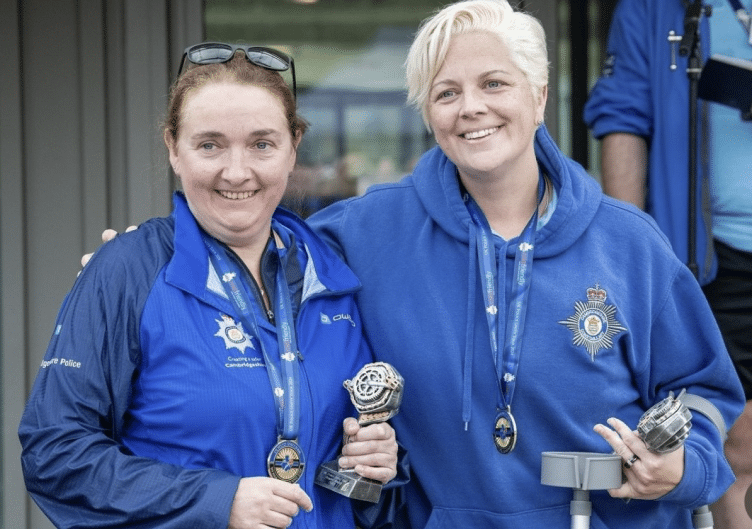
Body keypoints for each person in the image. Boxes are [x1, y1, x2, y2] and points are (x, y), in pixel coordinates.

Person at [81, 1, 746, 528]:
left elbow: (706, 392)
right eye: (446, 92)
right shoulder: (366, 230)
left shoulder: (630, 242)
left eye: (494, 83)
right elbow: (249, 231)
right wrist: (146, 255)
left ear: (538, 95)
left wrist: (680, 466)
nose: (472, 107)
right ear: (429, 113)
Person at [19, 43, 399, 529]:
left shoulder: (335, 276)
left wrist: (379, 466)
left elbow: (360, 472)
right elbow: (55, 453)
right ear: (173, 148)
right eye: (210, 145)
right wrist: (216, 502)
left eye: (262, 144)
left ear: (293, 147)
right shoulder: (128, 270)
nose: (236, 171)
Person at [583, 1, 752, 527]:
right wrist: (627, 256)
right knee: (739, 441)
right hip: (714, 255)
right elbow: (623, 118)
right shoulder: (657, 8)